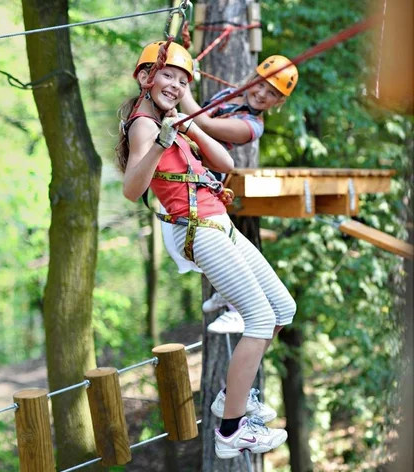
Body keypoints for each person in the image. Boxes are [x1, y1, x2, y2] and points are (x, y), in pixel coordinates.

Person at [116, 41, 296, 459]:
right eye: (168, 75)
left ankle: (232, 396)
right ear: (145, 77)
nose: (175, 85)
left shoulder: (171, 121)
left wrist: (189, 128)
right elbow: (131, 190)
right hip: (198, 228)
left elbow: (226, 165)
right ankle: (231, 430)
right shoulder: (144, 124)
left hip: (218, 222)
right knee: (260, 318)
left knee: (282, 309)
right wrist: (160, 143)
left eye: (183, 81)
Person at [165, 56, 299, 335]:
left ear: (278, 102)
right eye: (261, 84)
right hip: (190, 161)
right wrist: (187, 72)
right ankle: (226, 293)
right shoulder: (230, 94)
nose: (262, 94)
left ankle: (236, 306)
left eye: (272, 93)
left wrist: (181, 84)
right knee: (206, 246)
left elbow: (205, 124)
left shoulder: (252, 126)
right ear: (253, 78)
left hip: (206, 175)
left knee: (208, 242)